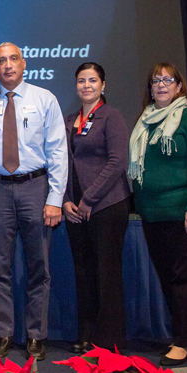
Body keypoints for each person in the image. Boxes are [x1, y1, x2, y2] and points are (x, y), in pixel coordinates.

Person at [0, 42, 67, 361]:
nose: (8, 65)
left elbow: (57, 151)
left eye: (13, 59)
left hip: (35, 187)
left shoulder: (44, 98)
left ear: (24, 64)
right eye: (1, 61)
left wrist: (55, 197)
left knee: (38, 265)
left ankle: (36, 335)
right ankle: (3, 333)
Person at [128, 62, 187, 366]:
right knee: (167, 277)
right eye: (155, 81)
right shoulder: (146, 121)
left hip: (184, 213)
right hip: (153, 214)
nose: (161, 85)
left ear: (179, 86)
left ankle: (183, 341)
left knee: (185, 277)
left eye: (168, 80)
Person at [62, 63, 131, 353]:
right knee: (84, 273)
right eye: (81, 81)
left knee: (106, 274)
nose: (86, 85)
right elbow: (62, 163)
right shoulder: (69, 120)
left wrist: (89, 199)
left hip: (107, 206)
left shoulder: (111, 117)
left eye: (92, 80)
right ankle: (87, 335)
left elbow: (118, 163)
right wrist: (65, 199)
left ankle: (109, 341)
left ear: (103, 85)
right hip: (74, 209)